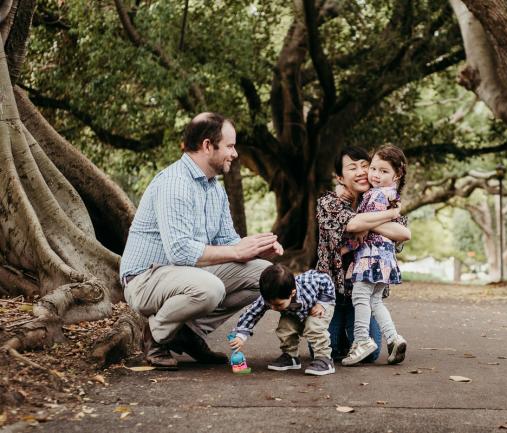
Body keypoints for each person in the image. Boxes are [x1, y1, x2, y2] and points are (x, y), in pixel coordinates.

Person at [119, 112, 283, 370]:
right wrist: (237, 252)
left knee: (267, 277)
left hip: (187, 274)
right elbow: (180, 252)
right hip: (145, 278)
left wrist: (256, 250)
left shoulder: (214, 186)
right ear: (208, 146)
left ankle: (187, 333)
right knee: (210, 288)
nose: (235, 153)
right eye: (229, 146)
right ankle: (156, 335)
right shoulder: (175, 184)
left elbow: (228, 241)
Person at [316, 146, 410, 363]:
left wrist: (369, 222)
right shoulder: (329, 203)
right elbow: (354, 224)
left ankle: (368, 341)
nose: (362, 172)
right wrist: (389, 215)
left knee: (372, 355)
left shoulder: (378, 198)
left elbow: (404, 233)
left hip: (363, 289)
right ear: (340, 177)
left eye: (364, 166)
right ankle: (363, 339)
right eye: (352, 168)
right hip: (335, 295)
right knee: (328, 350)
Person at [342, 145, 408, 366]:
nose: (376, 175)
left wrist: (346, 248)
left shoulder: (374, 195)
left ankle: (361, 340)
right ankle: (393, 338)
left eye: (384, 171)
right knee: (375, 300)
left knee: (360, 296)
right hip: (386, 258)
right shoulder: (391, 196)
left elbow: (361, 227)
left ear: (396, 175)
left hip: (370, 256)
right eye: (374, 169)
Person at [229, 264, 336, 376]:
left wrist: (323, 302)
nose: (273, 308)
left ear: (292, 293)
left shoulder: (310, 282)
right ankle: (291, 356)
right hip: (292, 312)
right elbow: (252, 313)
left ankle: (324, 359)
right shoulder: (270, 297)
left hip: (318, 308)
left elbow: (326, 279)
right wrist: (241, 335)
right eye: (269, 304)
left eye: (278, 305)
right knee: (285, 327)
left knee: (313, 326)